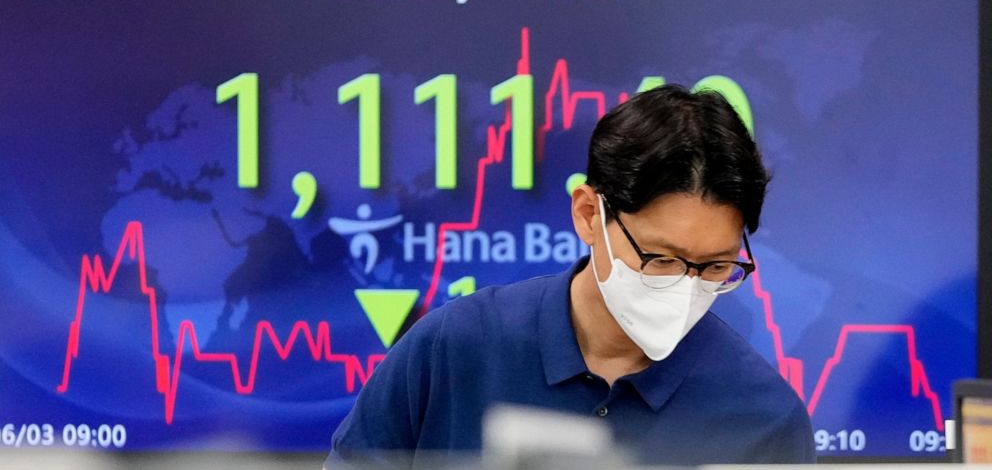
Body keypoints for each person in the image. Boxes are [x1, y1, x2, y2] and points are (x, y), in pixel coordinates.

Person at [326, 84, 814, 468]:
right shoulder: (450, 350)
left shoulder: (765, 417)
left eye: (716, 267)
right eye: (661, 260)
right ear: (587, 215)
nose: (686, 288)